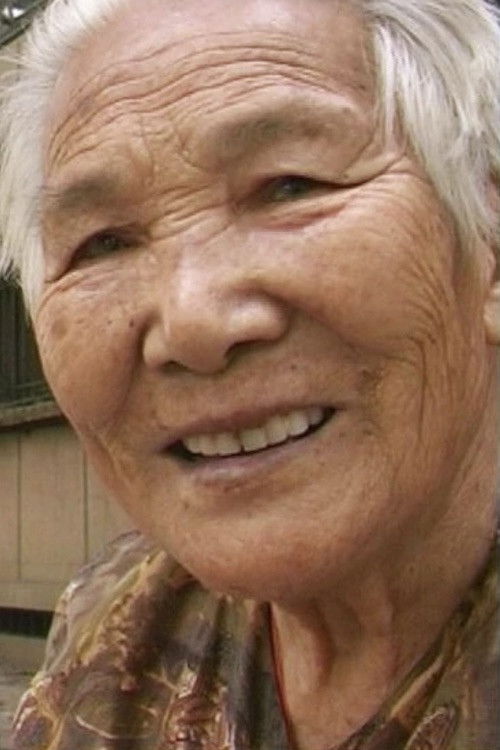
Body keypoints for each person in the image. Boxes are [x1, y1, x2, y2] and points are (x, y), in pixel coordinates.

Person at [0, 0, 499, 747]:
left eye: (291, 186)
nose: (193, 323)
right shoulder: (116, 627)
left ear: (488, 240)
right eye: (104, 243)